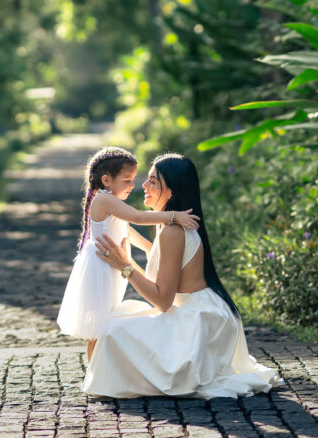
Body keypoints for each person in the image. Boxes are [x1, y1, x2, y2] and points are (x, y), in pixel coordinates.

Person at [85, 153, 282, 399]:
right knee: (118, 317)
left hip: (196, 321)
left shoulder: (172, 231)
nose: (143, 186)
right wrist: (126, 258)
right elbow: (159, 275)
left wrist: (125, 267)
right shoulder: (166, 226)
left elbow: (162, 300)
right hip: (198, 312)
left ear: (172, 190)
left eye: (153, 181)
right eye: (147, 179)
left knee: (112, 330)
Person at [56, 147, 200, 360]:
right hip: (102, 267)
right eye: (127, 180)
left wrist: (151, 249)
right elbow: (137, 218)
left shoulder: (111, 202)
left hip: (109, 267)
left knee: (104, 320)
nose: (133, 186)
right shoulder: (104, 199)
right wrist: (173, 216)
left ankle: (97, 366)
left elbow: (127, 230)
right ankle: (93, 369)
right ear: (106, 180)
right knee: (99, 324)